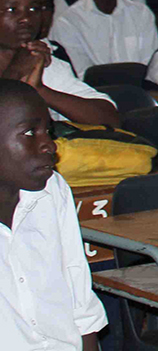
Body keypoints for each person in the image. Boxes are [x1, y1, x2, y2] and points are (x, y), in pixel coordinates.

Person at [0, 79, 107, 350]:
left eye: (48, 131)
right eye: (29, 133)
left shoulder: (53, 189)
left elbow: (77, 286)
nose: (50, 145)